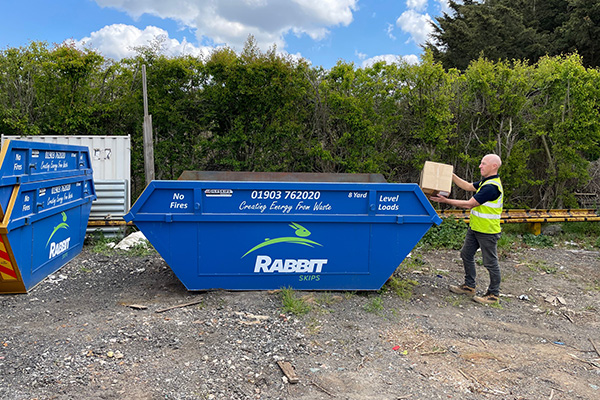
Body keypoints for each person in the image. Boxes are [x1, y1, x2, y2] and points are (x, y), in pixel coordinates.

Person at [429, 154, 503, 305]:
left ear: (494, 166)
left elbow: (470, 204)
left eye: (483, 164)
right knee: (466, 254)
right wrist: (451, 175)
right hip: (475, 227)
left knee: (490, 262)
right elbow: (468, 186)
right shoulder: (486, 182)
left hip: (487, 231)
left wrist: (445, 201)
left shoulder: (492, 187)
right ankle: (469, 286)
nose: (480, 166)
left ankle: (493, 294)